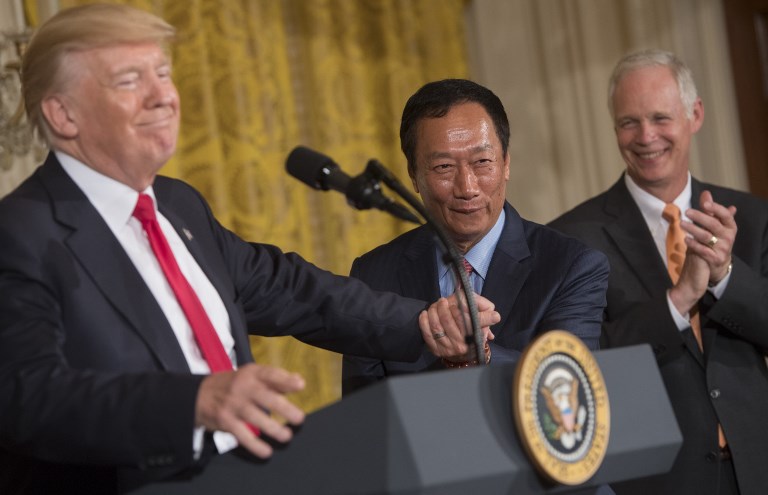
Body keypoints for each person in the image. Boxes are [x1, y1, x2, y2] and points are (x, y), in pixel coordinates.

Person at [0, 5, 501, 494]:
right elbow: (28, 396)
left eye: (163, 74)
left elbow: (290, 290)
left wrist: (422, 324)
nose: (164, 97)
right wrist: (195, 401)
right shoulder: (22, 232)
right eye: (130, 81)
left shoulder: (177, 205)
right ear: (63, 114)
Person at [549, 49, 768, 494]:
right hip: (657, 479)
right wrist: (677, 300)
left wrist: (725, 273)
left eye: (660, 118)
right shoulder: (572, 239)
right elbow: (578, 365)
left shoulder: (750, 216)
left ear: (695, 114)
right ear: (614, 129)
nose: (646, 136)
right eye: (629, 122)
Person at [342, 79, 609, 395]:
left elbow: (569, 389)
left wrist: (480, 357)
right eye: (443, 167)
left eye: (482, 162)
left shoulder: (571, 266)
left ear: (506, 163)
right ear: (414, 175)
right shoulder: (374, 275)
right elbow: (365, 412)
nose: (467, 187)